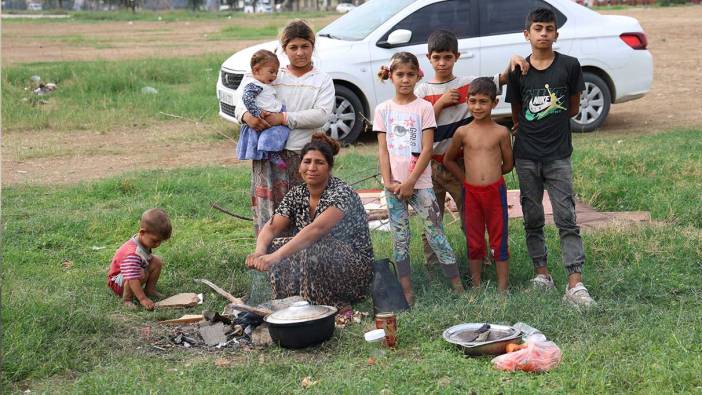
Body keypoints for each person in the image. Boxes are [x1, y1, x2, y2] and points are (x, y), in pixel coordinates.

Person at [415, 29, 528, 270]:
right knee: (431, 220)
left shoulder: (467, 84)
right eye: (437, 58)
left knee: (471, 217)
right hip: (430, 166)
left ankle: (482, 263)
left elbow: (500, 80)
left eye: (447, 57)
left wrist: (514, 60)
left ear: (456, 56)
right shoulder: (422, 91)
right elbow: (419, 124)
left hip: (460, 163)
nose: (442, 62)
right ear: (428, 58)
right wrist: (442, 103)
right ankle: (434, 268)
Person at [505, 7, 596, 307]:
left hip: (558, 156)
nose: (543, 33)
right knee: (532, 217)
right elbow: (517, 114)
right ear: (526, 34)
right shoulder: (518, 71)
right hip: (527, 157)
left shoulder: (570, 66)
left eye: (549, 28)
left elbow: (571, 107)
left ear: (556, 34)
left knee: (566, 217)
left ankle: (575, 282)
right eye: (538, 28)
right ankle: (541, 274)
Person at [375, 52, 464, 306]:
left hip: (421, 184)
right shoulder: (383, 110)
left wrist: (411, 181)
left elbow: (427, 149)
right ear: (391, 76)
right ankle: (407, 292)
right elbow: (383, 149)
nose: (405, 80)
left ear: (418, 76)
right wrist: (388, 182)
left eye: (410, 74)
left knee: (435, 232)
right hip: (393, 187)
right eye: (400, 74)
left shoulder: (424, 108)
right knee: (400, 237)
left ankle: (458, 287)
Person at [246, 133, 373, 307]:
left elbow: (316, 231)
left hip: (355, 270)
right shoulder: (297, 193)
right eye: (307, 162)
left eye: (319, 162)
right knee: (277, 243)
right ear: (299, 167)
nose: (312, 168)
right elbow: (272, 227)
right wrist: (260, 252)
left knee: (314, 244)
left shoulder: (341, 193)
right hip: (318, 260)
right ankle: (287, 304)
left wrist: (275, 257)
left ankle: (321, 306)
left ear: (329, 167)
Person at [235, 19, 335, 236]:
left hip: (302, 156)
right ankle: (268, 260)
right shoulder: (272, 73)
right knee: (269, 210)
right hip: (268, 155)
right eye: (293, 47)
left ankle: (301, 261)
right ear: (284, 49)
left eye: (305, 46)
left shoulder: (321, 80)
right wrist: (245, 116)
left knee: (302, 211)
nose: (300, 53)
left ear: (313, 46)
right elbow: (240, 98)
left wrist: (283, 118)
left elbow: (321, 115)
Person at [443, 78, 513, 293]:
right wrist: (467, 179)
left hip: (495, 191)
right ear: (467, 101)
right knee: (474, 238)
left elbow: (509, 163)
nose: (477, 106)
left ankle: (503, 288)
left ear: (494, 102)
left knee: (498, 236)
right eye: (472, 101)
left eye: (483, 102)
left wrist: (491, 175)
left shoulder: (501, 132)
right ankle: (476, 285)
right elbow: (448, 159)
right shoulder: (463, 132)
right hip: (471, 192)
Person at [107, 208, 172, 310]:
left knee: (156, 261)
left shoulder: (143, 240)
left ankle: (150, 290)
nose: (158, 244)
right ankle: (127, 299)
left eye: (161, 241)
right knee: (139, 272)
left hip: (131, 274)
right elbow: (131, 277)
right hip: (118, 283)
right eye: (155, 241)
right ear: (142, 232)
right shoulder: (133, 253)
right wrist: (142, 299)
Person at [236, 49, 289, 170]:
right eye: (271, 72)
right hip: (263, 118)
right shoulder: (254, 84)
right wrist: (256, 113)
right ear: (256, 70)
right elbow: (247, 98)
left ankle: (270, 153)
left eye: (276, 72)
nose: (274, 75)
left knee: (276, 134)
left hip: (271, 116)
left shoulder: (263, 84)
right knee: (273, 135)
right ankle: (271, 154)